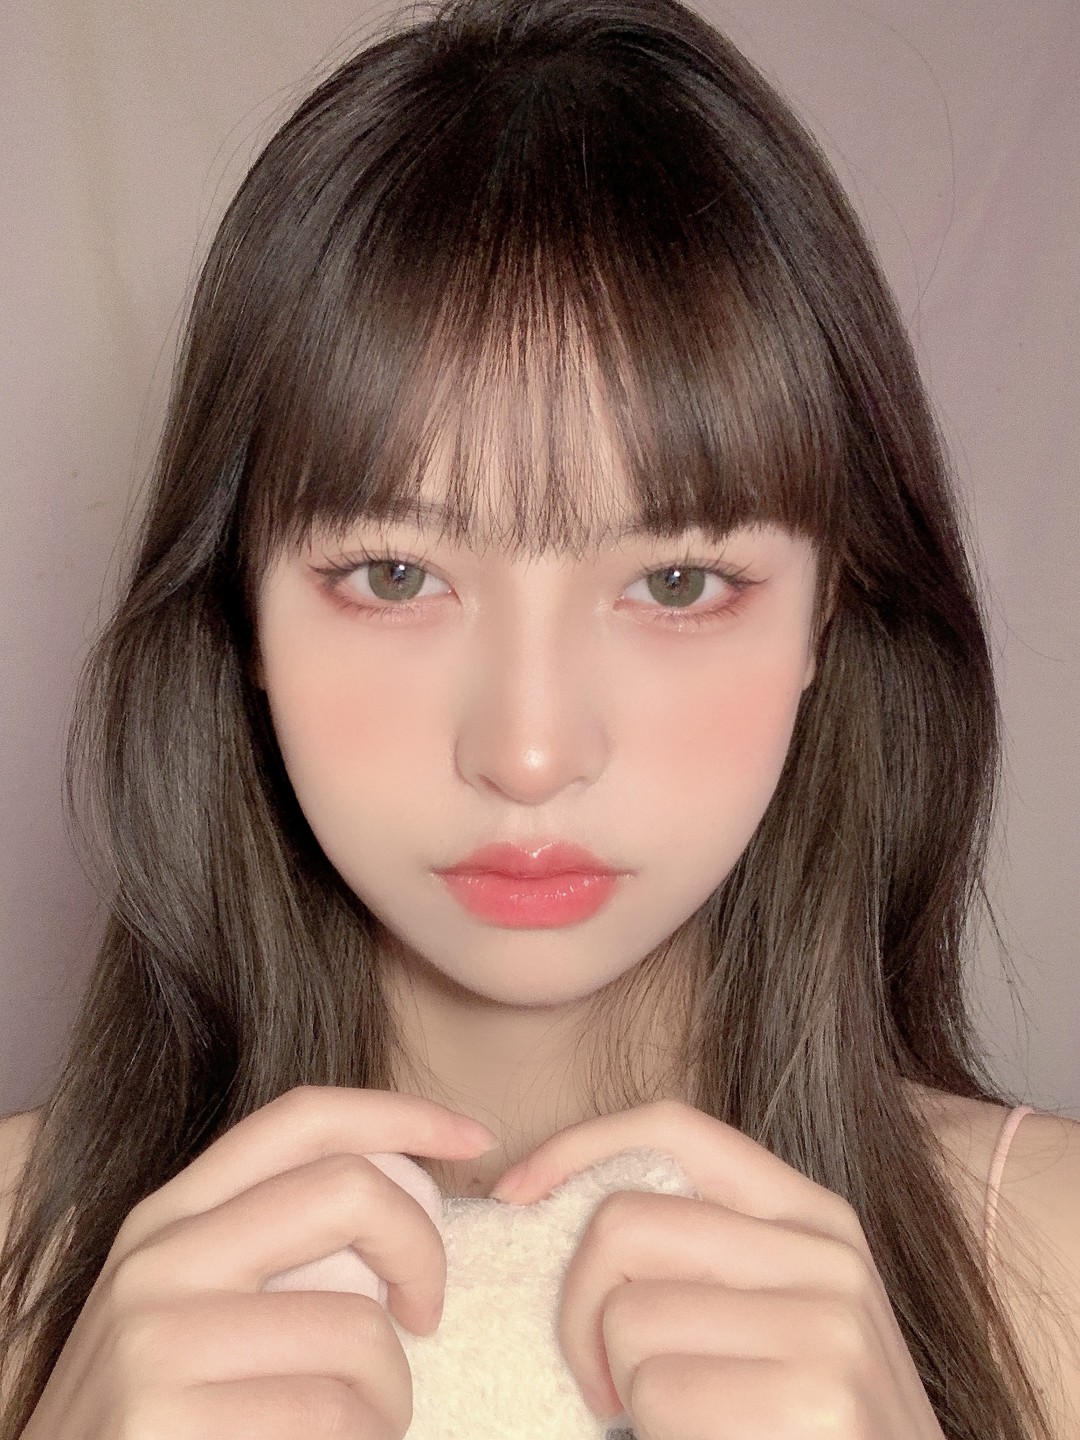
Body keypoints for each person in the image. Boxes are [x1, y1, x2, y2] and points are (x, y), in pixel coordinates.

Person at [0, 0, 1075, 1436]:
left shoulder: (1051, 1264)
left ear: (832, 609)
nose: (526, 752)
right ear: (241, 606)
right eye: (395, 575)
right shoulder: (24, 1269)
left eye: (676, 582)